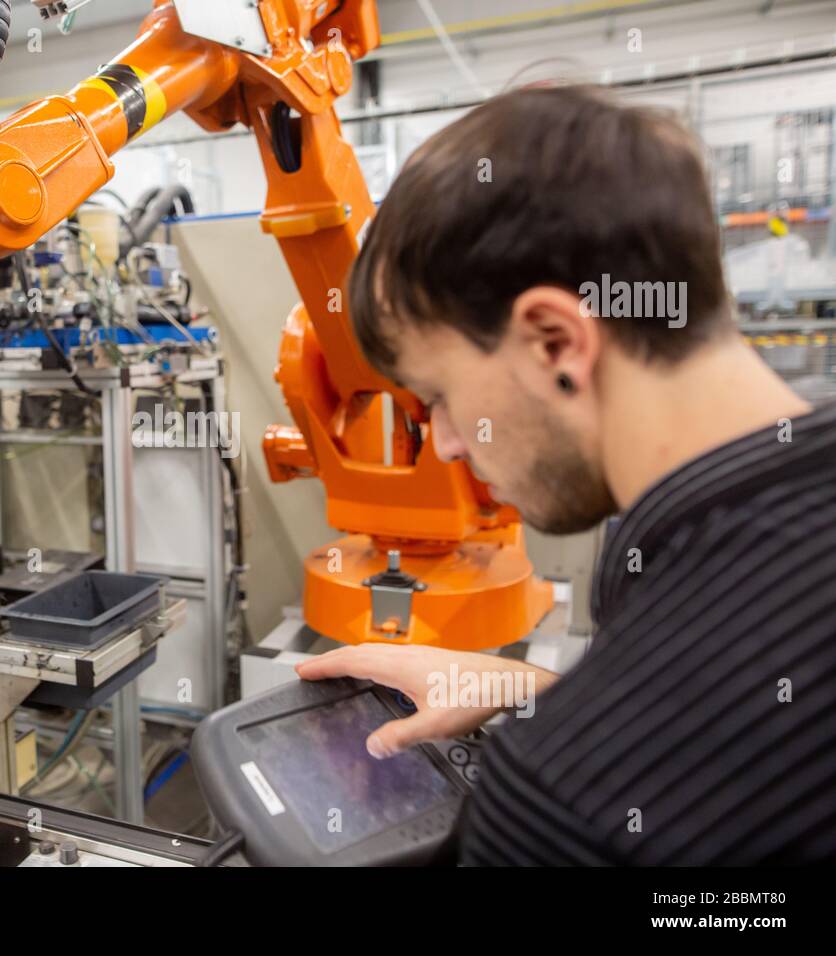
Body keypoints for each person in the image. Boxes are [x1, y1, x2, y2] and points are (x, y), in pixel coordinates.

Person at [297, 84, 836, 864]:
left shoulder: (567, 806)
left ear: (554, 342)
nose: (446, 445)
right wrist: (530, 691)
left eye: (441, 397)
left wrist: (564, 741)